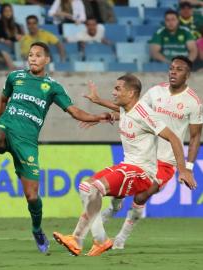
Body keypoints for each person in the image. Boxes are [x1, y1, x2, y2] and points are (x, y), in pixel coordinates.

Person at [0, 42, 112, 254]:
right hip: (6, 127)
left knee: (32, 197)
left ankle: (37, 229)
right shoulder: (15, 77)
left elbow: (74, 111)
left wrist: (98, 116)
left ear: (47, 60)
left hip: (27, 142)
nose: (33, 58)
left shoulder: (53, 87)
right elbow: (2, 100)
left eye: (38, 55)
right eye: (30, 55)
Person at [53, 74, 197, 256]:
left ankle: (91, 240)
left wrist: (183, 170)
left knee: (92, 189)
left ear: (131, 93)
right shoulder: (126, 109)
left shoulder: (145, 114)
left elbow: (174, 138)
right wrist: (99, 106)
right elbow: (119, 111)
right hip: (127, 166)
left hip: (141, 173)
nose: (113, 92)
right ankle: (87, 240)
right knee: (86, 186)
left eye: (117, 89)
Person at [83, 56, 202, 249]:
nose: (173, 72)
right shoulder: (156, 92)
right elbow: (132, 108)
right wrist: (101, 107)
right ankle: (114, 207)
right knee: (118, 190)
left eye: (179, 69)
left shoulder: (193, 102)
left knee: (141, 197)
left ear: (188, 75)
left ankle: (121, 237)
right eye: (171, 68)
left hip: (167, 161)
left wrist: (187, 168)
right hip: (143, 155)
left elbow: (195, 136)